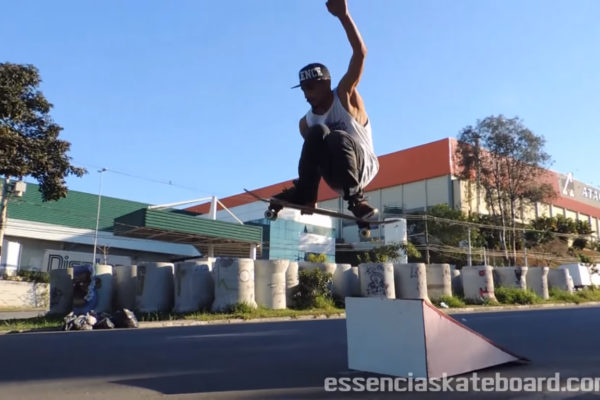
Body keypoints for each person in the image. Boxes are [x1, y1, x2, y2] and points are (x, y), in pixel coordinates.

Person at [272, 0, 379, 220]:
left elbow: (360, 53)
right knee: (317, 132)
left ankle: (357, 200)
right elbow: (314, 161)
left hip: (362, 167)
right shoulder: (306, 121)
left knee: (336, 137)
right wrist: (310, 193)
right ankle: (304, 195)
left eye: (310, 88)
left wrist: (344, 16)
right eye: (303, 89)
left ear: (326, 83)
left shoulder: (344, 95)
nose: (306, 94)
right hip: (336, 174)